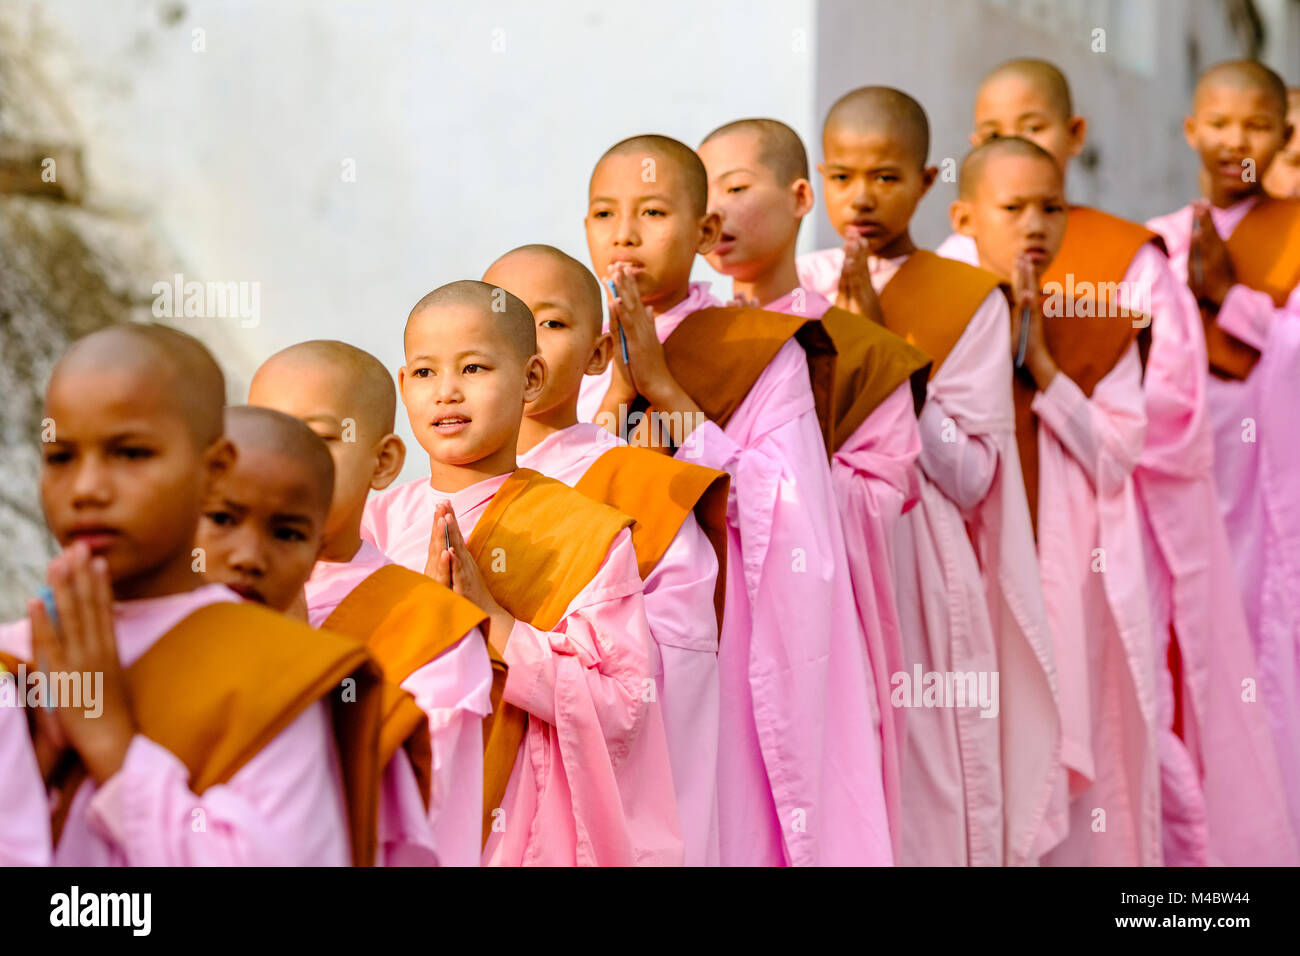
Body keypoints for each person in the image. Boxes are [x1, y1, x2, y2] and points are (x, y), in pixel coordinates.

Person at [580, 133, 891, 865]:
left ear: (705, 234)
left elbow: (788, 510)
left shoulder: (759, 346)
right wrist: (618, 395)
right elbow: (557, 492)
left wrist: (665, 390)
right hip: (599, 644)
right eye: (603, 213)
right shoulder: (578, 347)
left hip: (721, 639)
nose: (623, 233)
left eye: (652, 212)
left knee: (716, 822)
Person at [798, 89, 1060, 866]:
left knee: (929, 771)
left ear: (929, 179)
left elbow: (975, 474)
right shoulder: (802, 282)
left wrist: (888, 357)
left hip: (920, 559)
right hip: (823, 547)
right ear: (818, 176)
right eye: (843, 176)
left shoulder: (971, 298)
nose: (862, 197)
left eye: (885, 176)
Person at [0, 324, 372, 866]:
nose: (86, 489)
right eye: (60, 457)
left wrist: (115, 750)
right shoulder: (18, 659)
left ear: (214, 468)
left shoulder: (277, 673)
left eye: (130, 454)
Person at [363, 280, 683, 866]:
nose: (448, 393)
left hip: (520, 825)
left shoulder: (581, 532)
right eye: (427, 374)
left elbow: (623, 702)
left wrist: (495, 625)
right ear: (403, 386)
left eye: (475, 368)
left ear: (530, 379)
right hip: (399, 809)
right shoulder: (373, 523)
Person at [697, 117, 930, 856]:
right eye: (702, 195)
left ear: (801, 196)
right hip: (704, 619)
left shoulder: (859, 348)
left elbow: (881, 496)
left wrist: (778, 472)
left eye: (737, 189)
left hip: (815, 626)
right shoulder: (687, 337)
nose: (715, 214)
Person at [482, 244, 727, 866]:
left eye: (550, 323)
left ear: (597, 352)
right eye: (502, 323)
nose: (525, 345)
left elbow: (669, 682)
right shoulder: (416, 501)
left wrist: (518, 642)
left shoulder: (646, 487)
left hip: (578, 810)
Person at [956, 136, 1159, 865]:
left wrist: (1044, 366)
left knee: (1064, 748)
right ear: (966, 217)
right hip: (965, 573)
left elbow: (1116, 457)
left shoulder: (1098, 320)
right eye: (1014, 208)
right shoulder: (939, 312)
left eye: (1053, 207)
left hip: (1062, 572)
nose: (1036, 224)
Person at [248, 340, 493, 866]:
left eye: (317, 439)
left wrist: (300, 663)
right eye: (266, 437)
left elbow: (423, 813)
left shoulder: (428, 626)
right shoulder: (203, 589)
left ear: (382, 461)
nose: (286, 466)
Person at [1147, 59, 1300, 855]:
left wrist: (1228, 298)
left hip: (1278, 502)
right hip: (1190, 492)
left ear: (1282, 135)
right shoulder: (1161, 241)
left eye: (1256, 124)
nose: (1236, 140)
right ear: (1192, 129)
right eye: (1220, 121)